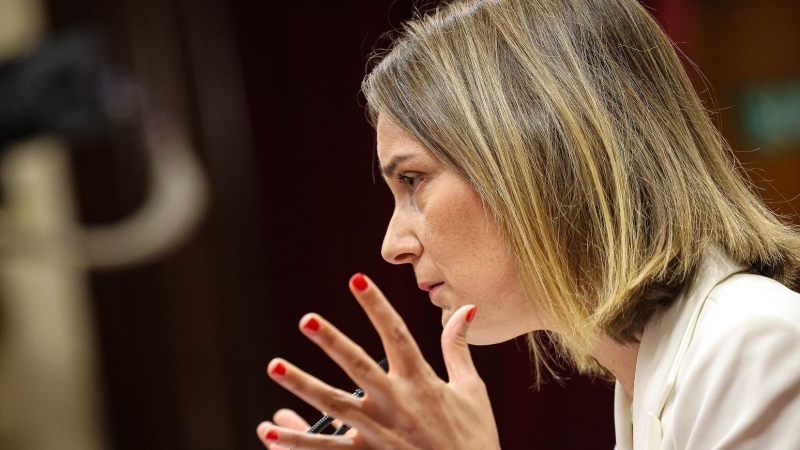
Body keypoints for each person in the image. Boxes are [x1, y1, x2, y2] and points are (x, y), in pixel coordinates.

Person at [256, 0, 800, 448]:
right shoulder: (650, 379)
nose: (391, 245)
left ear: (537, 160)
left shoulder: (753, 342)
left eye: (414, 180)